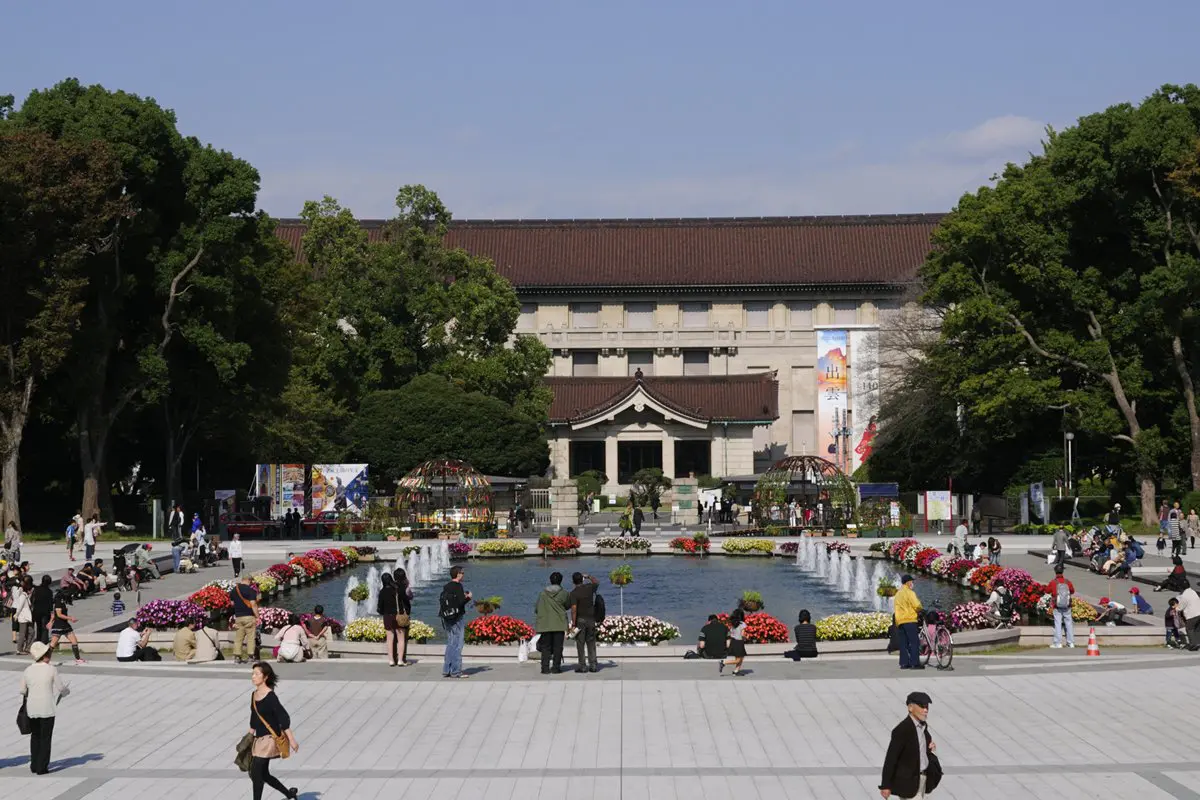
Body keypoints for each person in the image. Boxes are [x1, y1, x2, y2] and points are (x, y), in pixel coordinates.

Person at [247, 662, 300, 800]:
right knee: (263, 774)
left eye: (257, 674)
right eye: (253, 674)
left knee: (256, 772)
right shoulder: (254, 695)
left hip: (270, 739)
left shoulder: (271, 697)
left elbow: (282, 718)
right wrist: (248, 737)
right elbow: (254, 718)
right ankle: (289, 794)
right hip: (259, 740)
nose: (253, 677)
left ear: (265, 677)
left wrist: (292, 740)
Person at [879, 691, 941, 799]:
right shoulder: (902, 730)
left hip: (923, 781)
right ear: (910, 708)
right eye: (922, 706)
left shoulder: (923, 728)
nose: (925, 710)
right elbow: (891, 758)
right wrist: (886, 785)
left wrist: (931, 750)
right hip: (909, 783)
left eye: (927, 707)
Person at [21, 641, 69, 775]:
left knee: (35, 736)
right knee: (45, 737)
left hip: (32, 708)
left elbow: (22, 690)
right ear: (46, 655)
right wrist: (66, 691)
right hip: (47, 708)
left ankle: (34, 764)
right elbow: (61, 688)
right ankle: (42, 767)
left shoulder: (28, 670)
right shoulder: (51, 669)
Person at [534, 571, 570, 674]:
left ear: (550, 581)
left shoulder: (542, 594)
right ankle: (556, 668)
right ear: (560, 581)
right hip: (559, 623)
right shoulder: (564, 593)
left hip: (545, 624)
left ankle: (545, 668)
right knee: (558, 647)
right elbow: (567, 605)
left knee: (545, 647)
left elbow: (537, 608)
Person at [439, 565, 471, 678]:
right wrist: (468, 597)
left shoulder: (446, 586)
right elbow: (460, 603)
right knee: (458, 643)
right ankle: (456, 671)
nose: (463, 574)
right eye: (462, 573)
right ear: (457, 574)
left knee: (451, 642)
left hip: (447, 617)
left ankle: (446, 669)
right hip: (457, 618)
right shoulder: (458, 586)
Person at [566, 571, 600, 673]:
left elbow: (574, 610)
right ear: (582, 580)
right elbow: (597, 582)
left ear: (573, 582)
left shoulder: (573, 593)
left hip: (580, 621)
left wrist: (573, 623)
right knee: (591, 642)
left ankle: (583, 666)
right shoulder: (589, 588)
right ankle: (593, 665)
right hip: (591, 619)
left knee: (580, 644)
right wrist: (589, 576)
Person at [893, 575, 923, 670]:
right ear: (907, 582)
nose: (912, 583)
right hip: (910, 619)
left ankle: (904, 663)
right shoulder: (910, 593)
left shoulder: (898, 594)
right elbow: (917, 605)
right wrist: (921, 609)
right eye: (911, 581)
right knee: (914, 642)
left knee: (903, 643)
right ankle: (915, 663)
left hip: (900, 621)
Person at [230, 574, 260, 664]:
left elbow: (232, 603)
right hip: (249, 617)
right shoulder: (251, 591)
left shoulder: (234, 590)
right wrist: (258, 617)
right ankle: (251, 656)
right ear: (249, 580)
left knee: (238, 638)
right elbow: (253, 604)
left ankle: (237, 656)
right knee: (250, 637)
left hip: (238, 617)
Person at [47, 591, 85, 664]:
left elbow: (53, 615)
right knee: (53, 644)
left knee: (74, 641)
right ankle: (46, 659)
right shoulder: (59, 603)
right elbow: (59, 615)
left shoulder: (61, 602)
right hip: (59, 625)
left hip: (64, 625)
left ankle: (78, 659)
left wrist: (50, 622)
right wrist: (70, 618)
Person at [377, 572, 403, 667]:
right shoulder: (396, 590)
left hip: (387, 616)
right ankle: (400, 660)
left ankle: (391, 660)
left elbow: (379, 607)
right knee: (401, 639)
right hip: (398, 615)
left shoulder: (382, 592)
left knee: (389, 639)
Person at [1046, 566, 1075, 648]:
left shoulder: (1053, 582)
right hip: (1067, 605)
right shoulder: (1067, 582)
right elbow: (1072, 591)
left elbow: (1047, 590)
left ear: (1055, 572)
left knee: (1058, 624)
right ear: (1062, 572)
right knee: (1069, 624)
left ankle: (1057, 643)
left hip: (1057, 606)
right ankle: (1071, 642)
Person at [719, 608, 748, 676]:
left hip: (733, 641)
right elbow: (743, 635)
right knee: (738, 660)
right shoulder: (742, 624)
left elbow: (731, 633)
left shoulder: (732, 624)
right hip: (739, 642)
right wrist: (746, 638)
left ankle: (736, 671)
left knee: (741, 657)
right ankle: (723, 662)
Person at [394, 569, 414, 665]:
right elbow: (411, 597)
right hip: (403, 615)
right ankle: (402, 659)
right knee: (403, 638)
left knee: (394, 638)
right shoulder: (405, 588)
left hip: (392, 614)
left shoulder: (392, 587)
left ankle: (394, 657)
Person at [12, 575, 33, 655]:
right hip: (23, 617)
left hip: (26, 616)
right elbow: (19, 606)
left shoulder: (25, 595)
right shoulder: (23, 595)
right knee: (23, 633)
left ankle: (27, 648)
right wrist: (16, 615)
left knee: (31, 632)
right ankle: (19, 649)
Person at [31, 575, 52, 644]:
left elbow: (32, 599)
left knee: (38, 626)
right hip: (45, 611)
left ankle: (38, 639)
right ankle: (44, 641)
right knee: (44, 627)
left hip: (36, 611)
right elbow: (50, 603)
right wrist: (51, 611)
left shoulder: (36, 589)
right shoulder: (49, 591)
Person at [1178, 582, 1200, 647]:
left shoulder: (1184, 596)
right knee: (1197, 629)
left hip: (1192, 615)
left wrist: (1175, 607)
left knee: (1189, 628)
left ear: (1181, 588)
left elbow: (1180, 608)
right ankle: (1198, 643)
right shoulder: (1193, 591)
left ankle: (1193, 644)